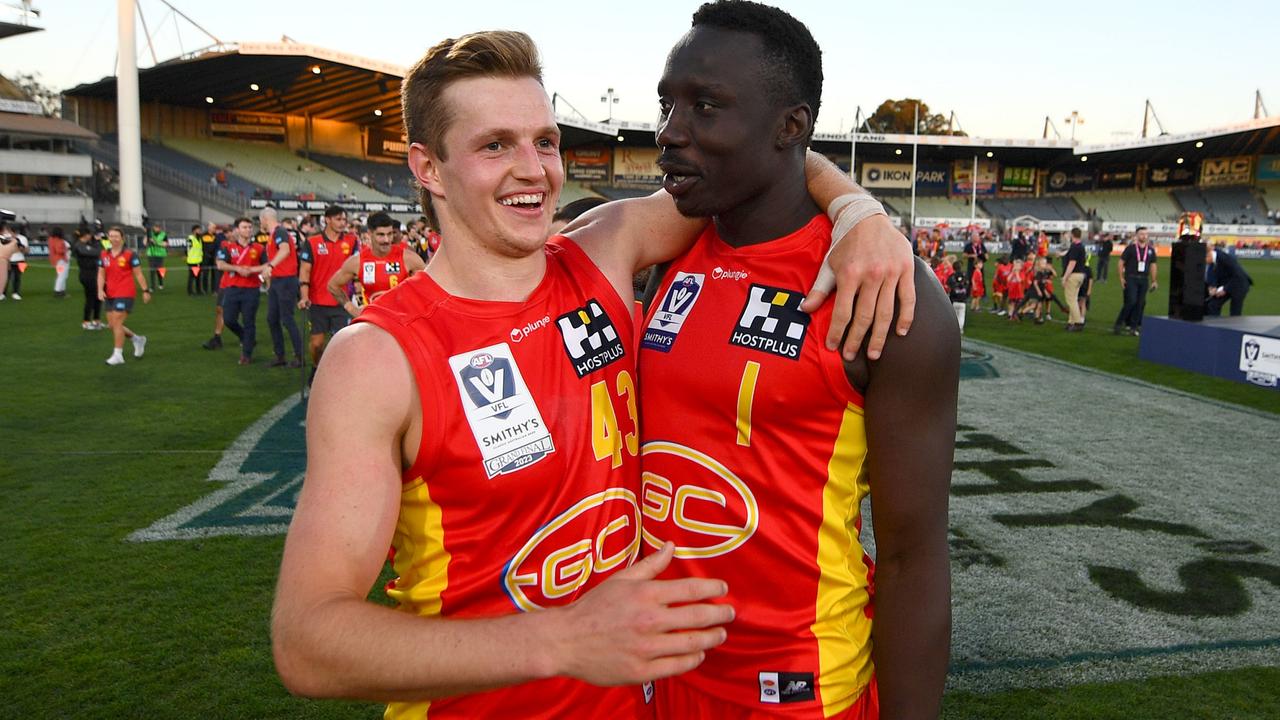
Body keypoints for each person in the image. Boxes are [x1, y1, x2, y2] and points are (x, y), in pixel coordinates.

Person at [272, 28, 915, 720]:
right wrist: (562, 641)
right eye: (495, 146)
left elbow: (762, 159)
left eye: (543, 141)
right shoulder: (378, 357)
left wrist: (859, 209)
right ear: (428, 168)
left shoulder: (603, 253)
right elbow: (309, 643)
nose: (534, 169)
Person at [638, 4, 953, 718]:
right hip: (650, 677)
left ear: (790, 127)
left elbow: (914, 556)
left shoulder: (886, 291)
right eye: (667, 102)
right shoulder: (660, 250)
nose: (669, 132)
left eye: (706, 106)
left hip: (800, 693)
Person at [296, 205, 358, 381]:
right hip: (317, 302)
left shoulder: (352, 241)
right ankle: (316, 367)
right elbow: (305, 271)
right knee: (316, 344)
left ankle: (337, 377)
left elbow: (356, 269)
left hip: (341, 301)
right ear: (327, 220)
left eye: (344, 220)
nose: (342, 223)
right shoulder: (312, 242)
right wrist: (304, 296)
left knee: (342, 344)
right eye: (338, 219)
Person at [326, 211, 425, 318]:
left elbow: (429, 286)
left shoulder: (408, 258)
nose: (386, 240)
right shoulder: (358, 261)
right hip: (373, 322)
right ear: (370, 233)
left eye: (389, 234)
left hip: (402, 322)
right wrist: (352, 309)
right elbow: (333, 285)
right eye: (381, 235)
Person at [216, 217, 270, 365]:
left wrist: (252, 270)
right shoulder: (228, 246)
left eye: (249, 227)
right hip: (232, 288)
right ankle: (246, 338)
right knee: (228, 319)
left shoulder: (259, 248)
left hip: (251, 290)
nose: (248, 230)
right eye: (244, 227)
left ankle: (246, 354)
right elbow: (220, 264)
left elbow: (267, 265)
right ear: (237, 230)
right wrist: (237, 269)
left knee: (249, 321)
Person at [97, 227, 151, 365]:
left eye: (116, 236)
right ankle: (137, 340)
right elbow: (101, 274)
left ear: (122, 238)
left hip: (125, 292)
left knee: (117, 322)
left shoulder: (130, 255)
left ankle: (118, 354)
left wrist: (145, 290)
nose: (113, 239)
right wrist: (99, 289)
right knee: (112, 325)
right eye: (111, 236)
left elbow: (138, 273)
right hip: (110, 293)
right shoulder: (104, 254)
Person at [259, 208, 306, 368]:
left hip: (286, 280)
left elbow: (284, 250)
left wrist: (271, 265)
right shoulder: (275, 235)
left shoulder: (280, 232)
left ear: (265, 219)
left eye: (261, 221)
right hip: (278, 281)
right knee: (272, 319)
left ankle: (299, 355)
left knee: (287, 318)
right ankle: (280, 355)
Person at [1114, 226, 1158, 336]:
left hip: (1144, 279)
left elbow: (1153, 265)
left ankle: (1133, 327)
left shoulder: (1151, 250)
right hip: (1131, 278)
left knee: (1140, 304)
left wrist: (1154, 280)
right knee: (1131, 301)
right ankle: (1119, 323)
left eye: (1146, 234)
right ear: (1137, 236)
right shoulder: (1131, 248)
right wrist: (1121, 277)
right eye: (1142, 234)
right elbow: (1120, 263)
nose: (1144, 236)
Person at [1205, 244, 1253, 316]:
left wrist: (1225, 289)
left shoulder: (1224, 258)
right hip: (1227, 283)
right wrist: (1212, 286)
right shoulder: (1213, 258)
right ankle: (1214, 324)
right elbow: (1211, 274)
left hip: (1240, 285)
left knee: (1235, 311)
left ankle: (1235, 326)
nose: (1205, 263)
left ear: (1208, 255)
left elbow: (1238, 275)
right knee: (1213, 305)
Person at [71, 229, 104, 329]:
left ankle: (96, 320)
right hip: (87, 274)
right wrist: (97, 242)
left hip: (95, 273)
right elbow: (97, 252)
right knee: (90, 298)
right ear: (86, 235)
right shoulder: (79, 245)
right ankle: (86, 321)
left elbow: (100, 251)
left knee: (98, 297)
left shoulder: (89, 244)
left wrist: (96, 242)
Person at [1060, 227, 1088, 331]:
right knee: (1074, 299)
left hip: (1073, 275)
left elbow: (1072, 263)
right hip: (1080, 275)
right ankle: (1071, 322)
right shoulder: (1081, 246)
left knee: (1071, 300)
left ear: (1072, 235)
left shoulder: (1075, 247)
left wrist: (1065, 277)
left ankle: (1077, 321)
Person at [1, 223, 29, 300]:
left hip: (20, 260)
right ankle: (3, 293)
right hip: (8, 259)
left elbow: (26, 251)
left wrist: (21, 247)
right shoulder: (5, 238)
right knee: (5, 277)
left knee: (17, 277)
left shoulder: (23, 238)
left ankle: (15, 293)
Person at [145, 223, 168, 291]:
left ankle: (161, 283)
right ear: (153, 227)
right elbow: (144, 243)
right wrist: (147, 238)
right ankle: (152, 286)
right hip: (151, 255)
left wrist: (156, 243)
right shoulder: (150, 234)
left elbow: (165, 244)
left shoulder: (163, 234)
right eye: (156, 227)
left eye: (158, 227)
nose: (157, 228)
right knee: (152, 271)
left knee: (160, 270)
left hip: (160, 255)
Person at [48, 227, 70, 298]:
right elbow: (59, 250)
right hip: (61, 260)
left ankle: (61, 290)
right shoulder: (59, 240)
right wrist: (65, 250)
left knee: (61, 275)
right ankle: (58, 290)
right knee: (62, 275)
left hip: (56, 260)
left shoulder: (51, 239)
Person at [185, 224, 204, 295]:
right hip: (192, 261)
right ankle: (190, 291)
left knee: (198, 276)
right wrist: (189, 256)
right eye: (198, 230)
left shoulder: (199, 238)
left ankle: (198, 290)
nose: (200, 231)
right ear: (194, 231)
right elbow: (187, 249)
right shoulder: (190, 238)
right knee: (191, 277)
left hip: (199, 260)